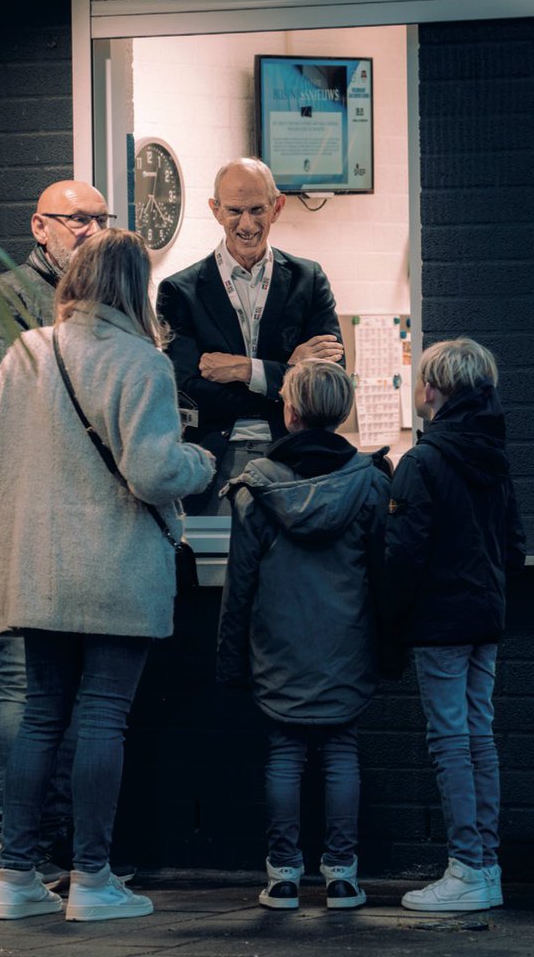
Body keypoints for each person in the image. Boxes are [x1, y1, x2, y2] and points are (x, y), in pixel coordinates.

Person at [0, 228, 215, 922]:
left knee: (41, 715)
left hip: (36, 564)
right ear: (135, 287)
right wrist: (200, 462)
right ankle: (91, 880)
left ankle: (15, 879)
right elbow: (153, 472)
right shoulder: (143, 362)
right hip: (113, 565)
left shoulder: (25, 352)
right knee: (103, 715)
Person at [0, 179, 115, 892]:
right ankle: (8, 849)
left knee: (66, 685)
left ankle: (47, 847)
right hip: (12, 510)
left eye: (99, 219)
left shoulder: (106, 303)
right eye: (75, 219)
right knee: (19, 675)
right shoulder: (2, 296)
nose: (89, 229)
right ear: (39, 226)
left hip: (81, 512)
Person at [217, 359, 390, 911]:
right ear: (342, 413)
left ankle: (284, 877)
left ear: (289, 412)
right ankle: (342, 876)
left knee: (285, 753)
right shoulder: (369, 483)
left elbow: (240, 583)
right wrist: (388, 647)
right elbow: (382, 573)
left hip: (276, 646)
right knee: (341, 751)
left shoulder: (257, 486)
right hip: (348, 642)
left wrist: (230, 658)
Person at [382, 338, 526, 913]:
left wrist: (389, 619)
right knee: (478, 736)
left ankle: (466, 869)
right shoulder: (494, 455)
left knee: (449, 741)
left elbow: (404, 554)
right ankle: (486, 866)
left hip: (439, 623)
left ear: (433, 389)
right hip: (484, 618)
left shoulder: (422, 462)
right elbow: (513, 546)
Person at [156, 158, 344, 513]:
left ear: (277, 207)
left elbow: (330, 384)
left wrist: (245, 370)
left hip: (296, 460)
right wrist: (286, 375)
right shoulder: (179, 291)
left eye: (257, 209)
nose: (246, 224)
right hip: (213, 465)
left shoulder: (308, 279)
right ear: (215, 210)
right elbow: (187, 392)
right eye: (234, 211)